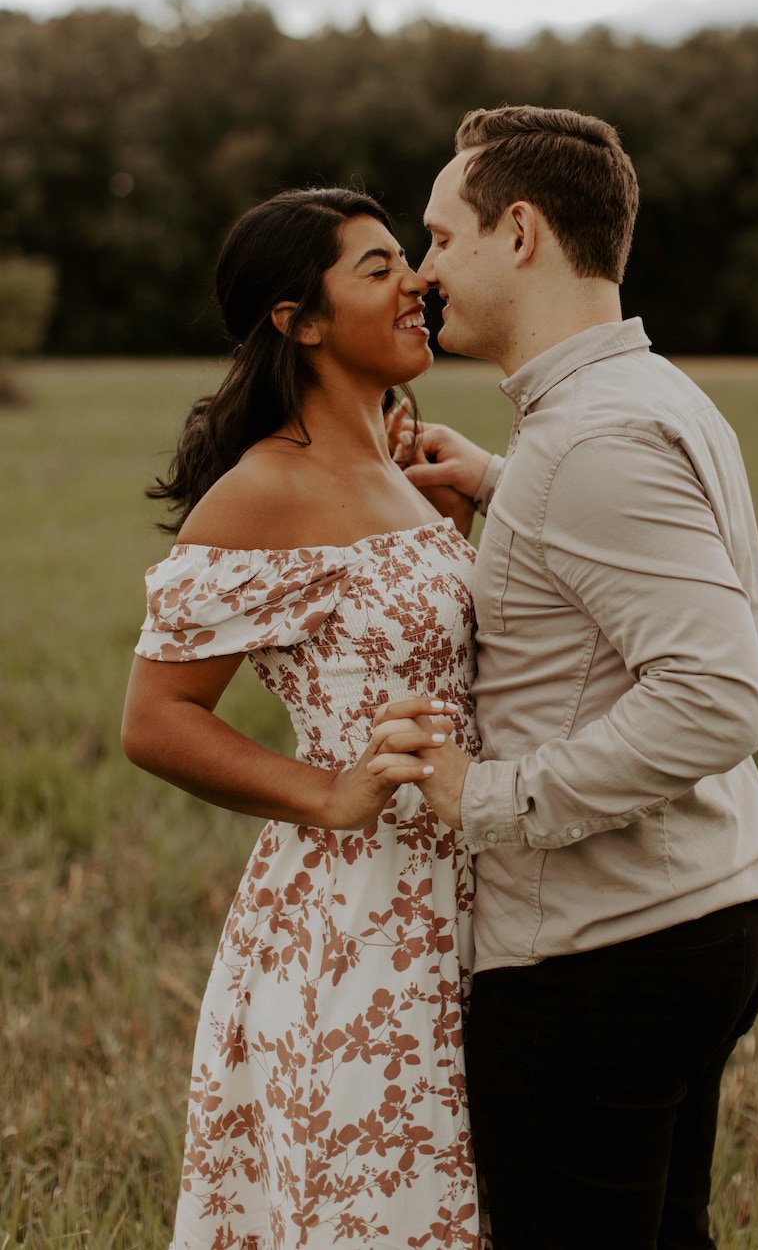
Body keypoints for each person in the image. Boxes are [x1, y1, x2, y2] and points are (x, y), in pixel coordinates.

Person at [376, 107, 758, 1250]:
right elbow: (622, 572)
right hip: (694, 907)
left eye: (440, 236)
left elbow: (714, 696)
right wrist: (501, 485)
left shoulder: (593, 443)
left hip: (607, 947)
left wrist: (486, 800)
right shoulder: (644, 400)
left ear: (520, 232)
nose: (422, 271)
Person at [121, 188, 485, 1250]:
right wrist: (329, 792)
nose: (416, 280)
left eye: (404, 260)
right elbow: (158, 718)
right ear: (300, 320)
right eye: (378, 269)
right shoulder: (264, 489)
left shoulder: (400, 457)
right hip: (357, 920)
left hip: (470, 890)